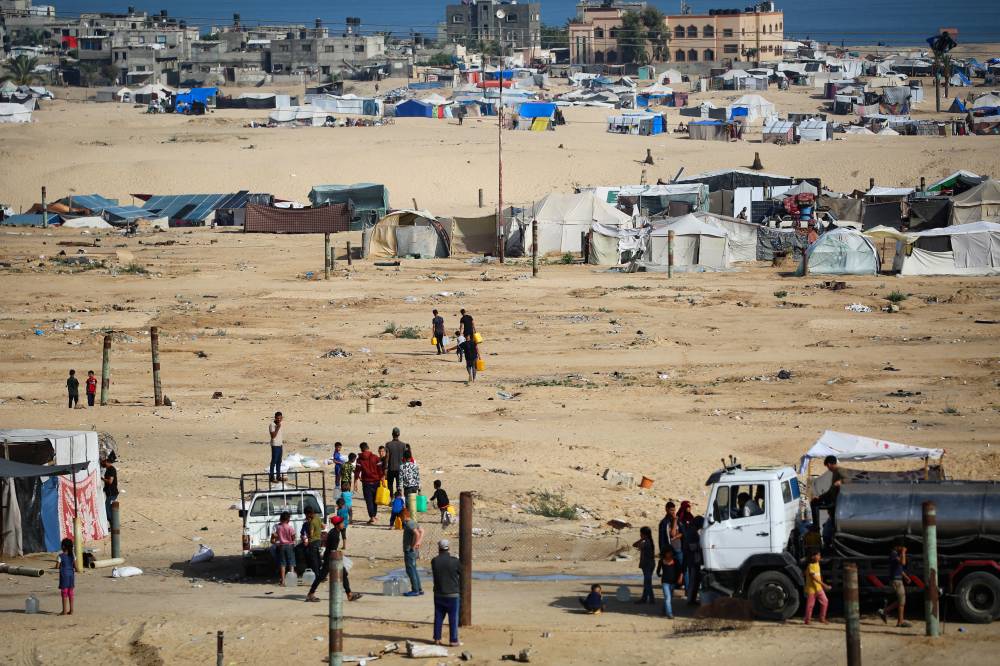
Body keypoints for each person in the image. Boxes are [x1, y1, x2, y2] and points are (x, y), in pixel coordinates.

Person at [305, 516, 362, 603]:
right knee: (322, 576)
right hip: (331, 559)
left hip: (331, 557)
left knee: (342, 574)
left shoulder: (334, 531)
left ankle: (349, 594)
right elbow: (332, 550)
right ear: (337, 525)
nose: (343, 525)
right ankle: (310, 594)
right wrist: (338, 555)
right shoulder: (335, 535)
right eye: (342, 523)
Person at [431, 539, 462, 646]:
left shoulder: (434, 561)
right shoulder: (455, 561)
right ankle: (453, 640)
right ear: (449, 548)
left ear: (439, 548)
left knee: (438, 616)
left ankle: (437, 639)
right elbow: (461, 572)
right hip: (453, 594)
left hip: (439, 593)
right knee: (453, 618)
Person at [878, 543, 912, 627]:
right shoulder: (893, 554)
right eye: (901, 546)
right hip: (896, 580)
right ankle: (900, 622)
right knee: (901, 602)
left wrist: (906, 577)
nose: (902, 548)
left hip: (898, 579)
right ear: (896, 546)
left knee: (900, 601)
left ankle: (884, 611)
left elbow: (900, 568)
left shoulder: (896, 554)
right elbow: (903, 563)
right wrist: (904, 552)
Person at [353, 442, 383, 524]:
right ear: (368, 448)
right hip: (376, 482)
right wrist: (383, 480)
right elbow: (380, 470)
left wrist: (355, 483)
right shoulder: (375, 457)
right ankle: (374, 516)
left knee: (369, 501)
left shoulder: (359, 459)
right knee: (375, 500)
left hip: (366, 483)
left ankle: (372, 517)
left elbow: (357, 472)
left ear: (361, 449)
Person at [803, 550, 831, 625]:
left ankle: (822, 618)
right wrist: (824, 585)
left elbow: (817, 575)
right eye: (818, 555)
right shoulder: (811, 566)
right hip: (811, 589)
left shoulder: (817, 564)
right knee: (810, 605)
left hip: (818, 588)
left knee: (825, 601)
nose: (819, 557)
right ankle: (807, 620)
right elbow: (814, 577)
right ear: (813, 557)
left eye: (819, 555)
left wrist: (821, 584)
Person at [402, 508, 424, 596]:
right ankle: (419, 589)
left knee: (410, 570)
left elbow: (417, 533)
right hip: (414, 550)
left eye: (400, 517)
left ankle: (415, 590)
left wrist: (414, 545)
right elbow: (422, 531)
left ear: (404, 516)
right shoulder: (413, 522)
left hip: (410, 550)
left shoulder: (409, 524)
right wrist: (419, 542)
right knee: (414, 569)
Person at [682, 516, 704, 605]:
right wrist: (701, 545)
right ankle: (690, 600)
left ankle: (692, 599)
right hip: (693, 559)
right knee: (693, 580)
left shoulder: (691, 531)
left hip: (693, 559)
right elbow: (691, 547)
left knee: (695, 581)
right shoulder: (692, 532)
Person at [272, 511, 296, 586]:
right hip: (289, 545)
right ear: (288, 519)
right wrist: (292, 540)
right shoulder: (290, 527)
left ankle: (283, 581)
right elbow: (293, 537)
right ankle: (291, 580)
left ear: (281, 519)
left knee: (282, 564)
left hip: (281, 546)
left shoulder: (278, 527)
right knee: (291, 562)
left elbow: (275, 537)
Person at [656, 549, 683, 619]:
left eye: (670, 553)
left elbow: (681, 571)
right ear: (664, 553)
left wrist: (680, 578)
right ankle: (670, 614)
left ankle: (664, 610)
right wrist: (659, 574)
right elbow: (658, 571)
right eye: (668, 552)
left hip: (673, 582)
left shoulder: (676, 561)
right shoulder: (661, 561)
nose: (669, 554)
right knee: (668, 598)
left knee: (669, 598)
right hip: (665, 582)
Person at [633, 526, 656, 604]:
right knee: (647, 582)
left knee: (647, 583)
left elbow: (635, 545)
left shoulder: (646, 542)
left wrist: (642, 539)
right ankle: (645, 598)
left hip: (647, 564)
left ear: (644, 534)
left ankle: (651, 599)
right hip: (650, 564)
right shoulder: (649, 541)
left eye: (641, 533)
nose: (640, 534)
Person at [384, 428, 409, 496]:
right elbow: (405, 457)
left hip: (391, 468)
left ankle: (391, 498)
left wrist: (385, 468)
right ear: (399, 434)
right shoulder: (403, 445)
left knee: (390, 484)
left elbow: (387, 457)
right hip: (400, 468)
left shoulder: (388, 444)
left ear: (392, 434)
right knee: (399, 484)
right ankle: (398, 498)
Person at [301, 506, 323, 577]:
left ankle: (317, 575)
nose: (305, 516)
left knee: (314, 560)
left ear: (309, 514)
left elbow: (311, 534)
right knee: (318, 558)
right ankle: (321, 573)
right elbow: (323, 527)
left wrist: (307, 538)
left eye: (306, 514)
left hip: (312, 542)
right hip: (319, 540)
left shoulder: (312, 522)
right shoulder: (318, 518)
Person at [58, 537, 76, 615]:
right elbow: (76, 566)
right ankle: (71, 610)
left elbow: (57, 565)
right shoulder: (72, 556)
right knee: (70, 592)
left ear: (63, 547)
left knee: (64, 592)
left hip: (64, 575)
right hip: (71, 575)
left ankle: (64, 611)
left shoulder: (60, 556)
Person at [268, 412, 284, 483]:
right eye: (277, 418)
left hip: (280, 445)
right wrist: (277, 428)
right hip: (275, 446)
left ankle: (278, 476)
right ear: (275, 418)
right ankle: (271, 477)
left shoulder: (279, 424)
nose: (279, 419)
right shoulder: (272, 425)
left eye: (280, 418)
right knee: (273, 461)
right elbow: (273, 436)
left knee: (279, 461)